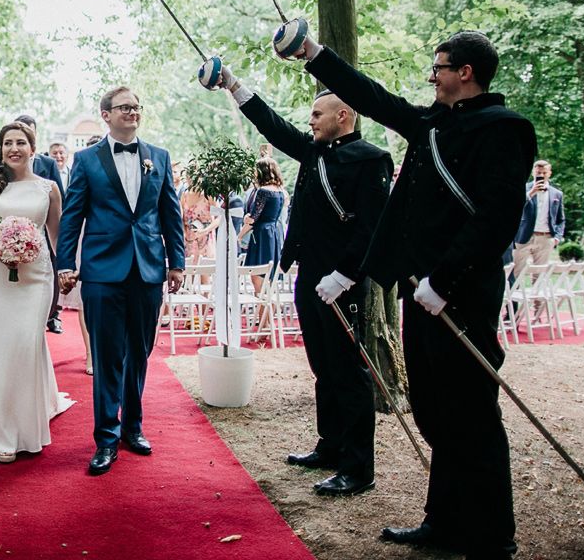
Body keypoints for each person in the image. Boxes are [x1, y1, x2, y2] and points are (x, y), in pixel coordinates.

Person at [285, 28, 535, 559]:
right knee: (433, 409)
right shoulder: (431, 123)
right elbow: (372, 95)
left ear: (465, 72)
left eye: (439, 67)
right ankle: (444, 521)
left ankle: (492, 539)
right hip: (421, 291)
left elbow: (496, 217)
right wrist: (313, 54)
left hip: (461, 291)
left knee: (471, 414)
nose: (432, 76)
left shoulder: (505, 129)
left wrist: (445, 279)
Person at [201, 68, 392, 496]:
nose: (310, 121)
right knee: (323, 366)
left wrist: (345, 276)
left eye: (316, 114)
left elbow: (372, 229)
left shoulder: (370, 159)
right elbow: (270, 122)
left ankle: (359, 468)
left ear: (343, 116)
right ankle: (331, 445)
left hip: (343, 281)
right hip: (310, 276)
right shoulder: (313, 152)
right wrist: (234, 86)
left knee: (350, 373)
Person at [56, 86, 184, 476]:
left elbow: (170, 214)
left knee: (140, 355)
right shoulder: (86, 160)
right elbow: (72, 215)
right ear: (106, 115)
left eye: (136, 107)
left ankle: (133, 427)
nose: (132, 112)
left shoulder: (158, 157)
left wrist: (175, 263)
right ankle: (106, 439)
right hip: (101, 271)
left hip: (147, 270)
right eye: (124, 107)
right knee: (108, 356)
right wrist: (66, 263)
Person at [0, 122, 73, 462]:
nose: (14, 148)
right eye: (8, 143)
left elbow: (56, 237)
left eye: (21, 142)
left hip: (37, 277)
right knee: (1, 341)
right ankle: (0, 431)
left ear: (32, 149)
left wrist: (66, 269)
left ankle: (26, 422)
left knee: (27, 342)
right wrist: (1, 250)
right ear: (0, 149)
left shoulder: (49, 188)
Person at [15, 113, 65, 334]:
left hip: (44, 228)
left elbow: (59, 197)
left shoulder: (48, 163)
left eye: (30, 129)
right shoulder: (7, 163)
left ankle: (51, 315)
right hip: (15, 228)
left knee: (50, 271)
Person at [237, 157, 286, 296]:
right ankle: (266, 317)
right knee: (269, 280)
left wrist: (239, 236)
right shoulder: (280, 191)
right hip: (273, 233)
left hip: (261, 235)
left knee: (258, 278)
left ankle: (263, 317)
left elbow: (253, 218)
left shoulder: (263, 191)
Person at [511, 159, 565, 280]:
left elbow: (560, 219)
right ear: (533, 173)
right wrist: (531, 193)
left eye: (544, 173)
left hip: (546, 238)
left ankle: (537, 299)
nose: (541, 175)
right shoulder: (523, 188)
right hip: (523, 236)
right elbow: (514, 208)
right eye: (538, 173)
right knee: (516, 272)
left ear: (549, 173)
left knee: (540, 275)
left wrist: (557, 237)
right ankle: (514, 298)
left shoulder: (557, 194)